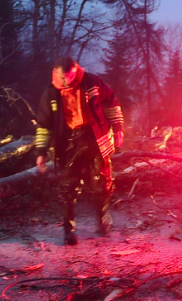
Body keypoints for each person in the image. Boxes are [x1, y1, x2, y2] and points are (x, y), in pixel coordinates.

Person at [34, 57, 124, 246]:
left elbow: (111, 103)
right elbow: (43, 125)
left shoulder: (93, 82)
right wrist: (41, 152)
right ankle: (69, 229)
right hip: (67, 143)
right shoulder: (51, 93)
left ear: (76, 69)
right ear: (56, 73)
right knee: (67, 186)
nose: (68, 81)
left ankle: (102, 217)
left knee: (101, 181)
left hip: (94, 138)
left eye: (71, 76)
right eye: (64, 77)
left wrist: (118, 129)